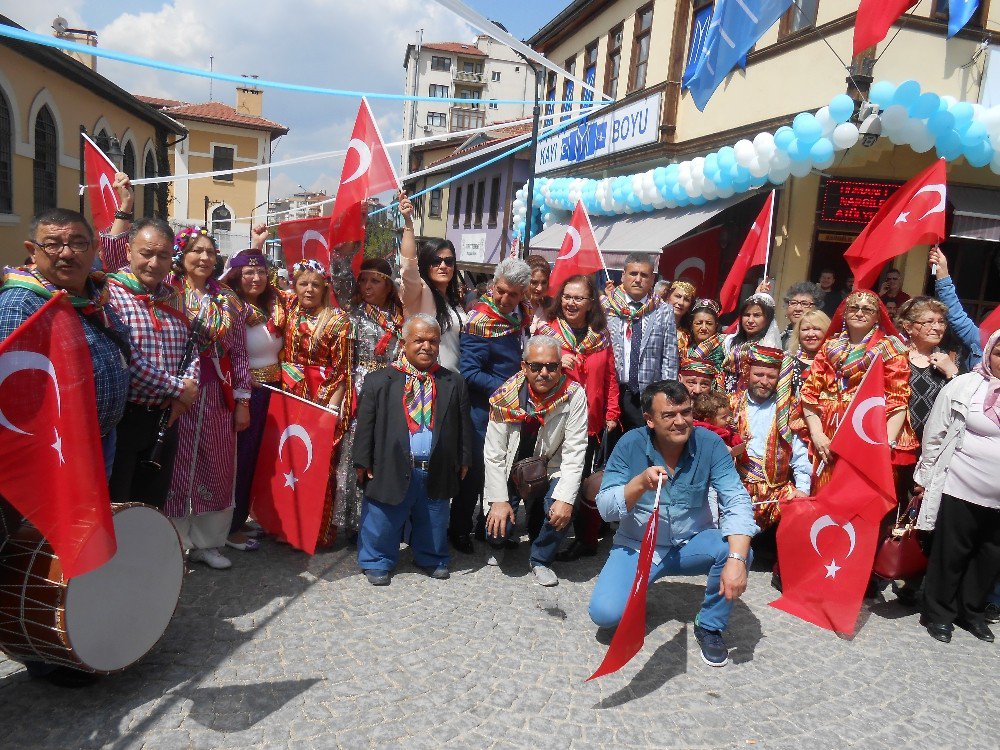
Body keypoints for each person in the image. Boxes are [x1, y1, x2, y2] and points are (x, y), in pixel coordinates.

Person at [588, 380, 757, 667]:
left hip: (690, 543)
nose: (681, 422)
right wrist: (639, 484)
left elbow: (736, 500)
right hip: (637, 544)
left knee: (738, 550)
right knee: (604, 615)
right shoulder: (629, 444)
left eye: (686, 412)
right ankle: (637, 590)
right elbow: (605, 509)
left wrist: (737, 560)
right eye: (669, 415)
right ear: (649, 420)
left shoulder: (711, 444)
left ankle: (710, 625)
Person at [1, 209, 130, 477]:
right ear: (32, 251)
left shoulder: (98, 295)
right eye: (52, 244)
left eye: (78, 243)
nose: (67, 253)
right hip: (54, 456)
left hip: (103, 442)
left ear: (94, 248)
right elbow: (13, 405)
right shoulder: (21, 305)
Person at [353, 314, 473, 585]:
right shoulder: (379, 381)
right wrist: (363, 461)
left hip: (435, 466)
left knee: (433, 519)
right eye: (418, 340)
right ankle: (377, 560)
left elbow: (463, 425)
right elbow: (365, 427)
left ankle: (431, 556)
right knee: (382, 518)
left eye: (432, 341)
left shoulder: (453, 382)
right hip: (390, 465)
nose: (426, 346)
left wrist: (464, 458)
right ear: (404, 343)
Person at [106, 218, 212, 510]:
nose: (154, 263)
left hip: (167, 418)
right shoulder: (110, 294)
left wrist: (186, 391)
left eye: (163, 255)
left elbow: (191, 351)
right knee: (119, 504)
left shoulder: (175, 298)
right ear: (128, 251)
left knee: (152, 504)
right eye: (146, 253)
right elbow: (127, 360)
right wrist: (180, 388)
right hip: (125, 418)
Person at [163, 227, 251, 571]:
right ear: (182, 256)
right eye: (196, 251)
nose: (204, 257)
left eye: (210, 252)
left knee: (216, 463)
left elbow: (240, 351)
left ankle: (207, 542)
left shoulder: (227, 299)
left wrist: (242, 400)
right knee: (175, 466)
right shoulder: (169, 292)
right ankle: (173, 541)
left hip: (216, 392)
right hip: (178, 390)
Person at [913, 329, 1000, 643]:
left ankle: (971, 612)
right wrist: (923, 478)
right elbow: (935, 433)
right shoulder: (964, 386)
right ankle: (940, 613)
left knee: (989, 557)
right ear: (989, 353)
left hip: (998, 498)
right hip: (959, 485)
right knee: (951, 552)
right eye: (999, 353)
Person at [483, 335, 588, 587]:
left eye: (552, 366)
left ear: (560, 367)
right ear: (524, 367)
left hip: (551, 468)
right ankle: (498, 539)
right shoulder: (503, 397)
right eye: (536, 366)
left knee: (560, 510)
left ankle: (541, 558)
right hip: (510, 470)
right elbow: (494, 454)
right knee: (496, 530)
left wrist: (565, 499)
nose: (544, 373)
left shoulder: (574, 394)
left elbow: (575, 451)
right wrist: (499, 500)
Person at [455, 258, 533, 554]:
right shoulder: (479, 320)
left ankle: (489, 527)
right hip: (483, 409)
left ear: (523, 293)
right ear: (493, 283)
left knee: (505, 469)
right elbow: (470, 372)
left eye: (512, 294)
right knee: (474, 474)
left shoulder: (522, 315)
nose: (504, 298)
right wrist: (509, 388)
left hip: (513, 410)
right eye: (500, 291)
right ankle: (459, 529)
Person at [540, 275, 619, 562]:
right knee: (553, 482)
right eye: (567, 297)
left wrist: (612, 412)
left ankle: (586, 540)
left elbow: (611, 377)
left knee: (586, 483)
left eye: (579, 298)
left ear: (590, 304)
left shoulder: (601, 337)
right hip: (553, 422)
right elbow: (532, 375)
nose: (571, 303)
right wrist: (556, 363)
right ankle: (546, 538)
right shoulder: (547, 334)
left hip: (591, 423)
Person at [799, 290, 910, 490]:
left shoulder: (890, 349)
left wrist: (883, 446)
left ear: (878, 315)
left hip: (866, 432)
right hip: (827, 432)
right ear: (844, 313)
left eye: (867, 309)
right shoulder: (828, 347)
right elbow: (808, 393)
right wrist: (817, 434)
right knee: (824, 495)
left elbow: (898, 401)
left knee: (857, 496)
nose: (859, 313)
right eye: (854, 308)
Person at [281, 259, 352, 548]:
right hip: (290, 393)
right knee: (289, 459)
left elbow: (342, 370)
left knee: (321, 464)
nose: (309, 289)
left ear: (325, 286)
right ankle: (286, 525)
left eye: (315, 284)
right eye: (302, 283)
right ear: (294, 286)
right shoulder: (289, 310)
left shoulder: (338, 320)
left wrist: (331, 409)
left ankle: (317, 530)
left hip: (323, 395)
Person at [220, 231, 283, 550]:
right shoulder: (231, 306)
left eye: (261, 271)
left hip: (275, 392)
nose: (256, 277)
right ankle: (228, 527)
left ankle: (247, 516)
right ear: (236, 275)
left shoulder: (275, 306)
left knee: (262, 460)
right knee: (240, 460)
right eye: (248, 272)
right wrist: (254, 246)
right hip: (246, 393)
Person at [334, 257, 404, 541]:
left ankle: (384, 517)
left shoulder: (401, 317)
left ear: (388, 285)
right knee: (357, 449)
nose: (366, 286)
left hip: (389, 386)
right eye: (363, 280)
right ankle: (352, 520)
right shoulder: (354, 314)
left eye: (374, 281)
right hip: (360, 386)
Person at [730, 346, 810, 535]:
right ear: (748, 373)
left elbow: (800, 452)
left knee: (801, 513)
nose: (764, 382)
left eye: (771, 377)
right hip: (736, 487)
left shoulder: (788, 408)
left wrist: (803, 488)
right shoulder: (731, 403)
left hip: (777, 492)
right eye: (759, 374)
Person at [603, 253, 679, 430]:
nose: (638, 279)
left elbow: (669, 358)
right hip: (612, 392)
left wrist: (667, 394)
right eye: (633, 274)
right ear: (623, 275)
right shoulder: (607, 307)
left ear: (652, 279)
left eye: (644, 275)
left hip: (646, 394)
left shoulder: (663, 311)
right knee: (608, 449)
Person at [396, 194, 467, 371]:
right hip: (427, 381)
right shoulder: (419, 291)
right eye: (436, 261)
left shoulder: (456, 302)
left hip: (455, 383)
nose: (443, 266)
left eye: (448, 261)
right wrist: (408, 224)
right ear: (426, 264)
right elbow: (408, 265)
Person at [929, 247, 983, 371]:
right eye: (997, 354)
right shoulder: (984, 340)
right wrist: (942, 274)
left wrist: (953, 373)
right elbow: (956, 316)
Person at [721, 292, 783, 392]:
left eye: (757, 315)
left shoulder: (769, 347)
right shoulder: (730, 341)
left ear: (768, 319)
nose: (750, 320)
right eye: (746, 315)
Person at [785, 308, 831, 396]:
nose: (810, 334)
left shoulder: (834, 361)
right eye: (805, 330)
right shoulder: (788, 361)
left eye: (816, 329)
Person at [683, 298, 726, 373]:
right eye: (699, 323)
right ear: (691, 325)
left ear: (716, 325)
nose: (703, 328)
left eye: (709, 323)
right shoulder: (684, 346)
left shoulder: (726, 346)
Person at [780, 282, 824, 348]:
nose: (798, 309)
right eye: (793, 303)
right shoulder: (780, 337)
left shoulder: (818, 338)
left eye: (804, 304)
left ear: (816, 307)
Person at [526, 255, 552, 335]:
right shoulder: (514, 307)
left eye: (544, 282)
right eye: (534, 282)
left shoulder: (551, 308)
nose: (539, 288)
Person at [667, 280, 697, 351]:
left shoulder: (690, 335)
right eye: (677, 296)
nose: (681, 302)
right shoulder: (651, 322)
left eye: (686, 299)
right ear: (668, 296)